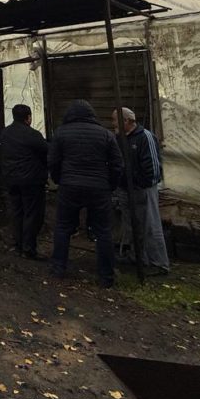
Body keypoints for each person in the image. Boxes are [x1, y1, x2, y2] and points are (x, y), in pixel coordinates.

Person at [48, 99, 124, 287]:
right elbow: (117, 164)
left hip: (70, 186)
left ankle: (58, 268)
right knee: (103, 231)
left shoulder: (61, 133)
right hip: (99, 188)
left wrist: (59, 180)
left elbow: (53, 161)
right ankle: (106, 276)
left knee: (63, 227)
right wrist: (110, 185)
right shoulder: (105, 134)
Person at [113, 107, 169, 274]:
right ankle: (137, 257)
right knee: (131, 225)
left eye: (115, 120)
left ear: (126, 121)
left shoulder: (145, 137)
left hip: (143, 189)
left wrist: (142, 183)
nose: (113, 124)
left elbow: (153, 168)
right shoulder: (120, 138)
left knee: (149, 225)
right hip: (125, 189)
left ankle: (159, 263)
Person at [0, 104, 49, 259]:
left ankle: (18, 244)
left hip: (11, 179)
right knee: (32, 214)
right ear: (28, 118)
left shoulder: (5, 133)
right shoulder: (33, 135)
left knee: (17, 212)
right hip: (31, 181)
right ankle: (29, 248)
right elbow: (46, 152)